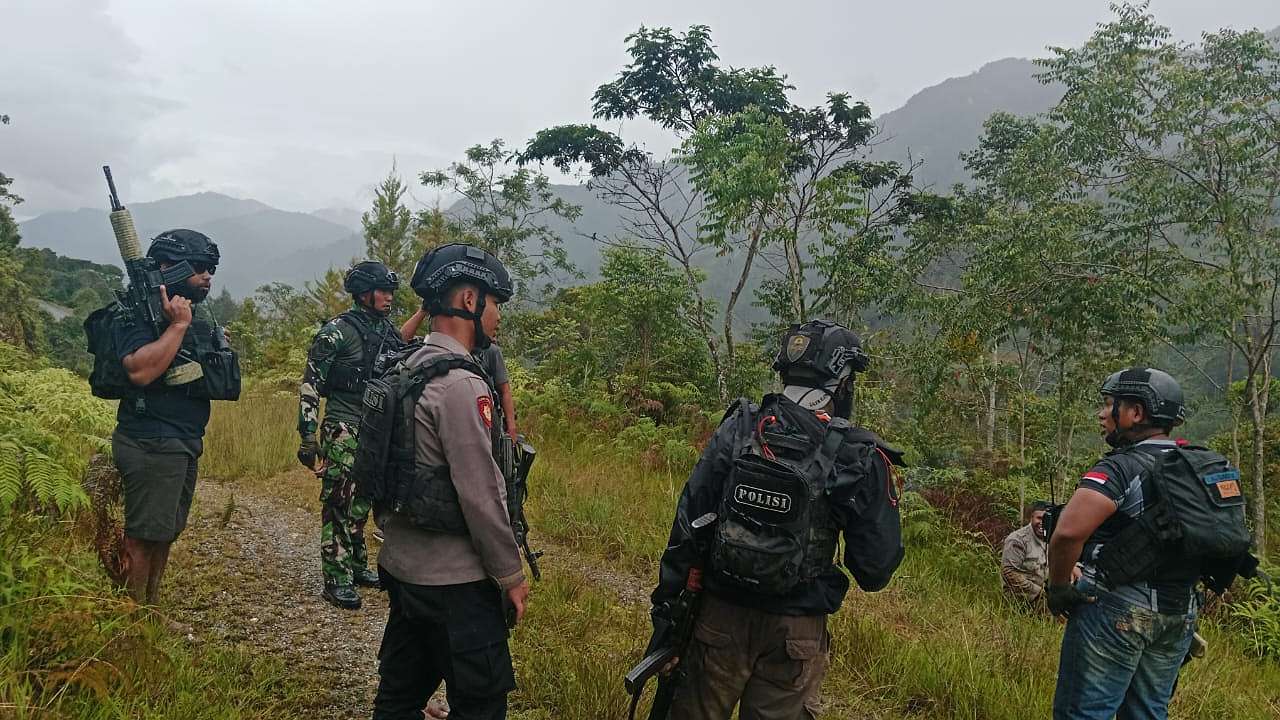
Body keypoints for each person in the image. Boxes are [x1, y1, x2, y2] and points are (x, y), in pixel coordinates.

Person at [647, 320, 905, 720]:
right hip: (795, 636)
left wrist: (667, 613)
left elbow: (689, 523)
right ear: (842, 383)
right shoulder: (858, 454)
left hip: (718, 619)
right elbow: (875, 570)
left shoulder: (740, 427)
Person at [373, 243, 529, 720]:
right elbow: (481, 493)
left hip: (403, 568)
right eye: (495, 303)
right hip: (456, 585)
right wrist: (511, 575)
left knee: (398, 699)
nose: (497, 316)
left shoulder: (407, 365)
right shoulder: (462, 384)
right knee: (481, 705)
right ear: (469, 300)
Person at [1046, 368, 1202, 720]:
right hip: (1180, 612)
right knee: (1147, 713)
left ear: (1136, 412)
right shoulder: (1194, 465)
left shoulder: (1120, 467)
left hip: (1118, 609)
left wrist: (1058, 587)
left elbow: (1068, 533)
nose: (1102, 414)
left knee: (1085, 713)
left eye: (1108, 404)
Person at [111, 229, 230, 604]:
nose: (208, 276)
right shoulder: (135, 312)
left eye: (211, 269)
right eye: (200, 267)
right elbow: (139, 371)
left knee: (163, 532)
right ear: (168, 266)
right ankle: (132, 618)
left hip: (181, 439)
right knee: (143, 535)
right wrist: (177, 326)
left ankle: (150, 610)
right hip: (150, 439)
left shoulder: (186, 314)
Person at [297, 261, 403, 610]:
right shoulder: (336, 332)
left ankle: (356, 565)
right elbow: (311, 384)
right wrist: (308, 436)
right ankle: (336, 578)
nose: (389, 297)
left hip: (374, 428)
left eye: (390, 291)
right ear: (364, 293)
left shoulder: (387, 331)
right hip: (342, 425)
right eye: (383, 291)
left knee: (364, 499)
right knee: (340, 500)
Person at [401, 304, 518, 438]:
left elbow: (504, 390)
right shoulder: (432, 350)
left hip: (483, 421)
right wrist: (423, 310)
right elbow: (400, 341)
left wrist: (511, 427)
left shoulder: (491, 351)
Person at [1001, 501, 1051, 604]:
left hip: (1045, 594)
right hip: (1021, 595)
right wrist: (1040, 593)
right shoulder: (1018, 540)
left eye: (1046, 519)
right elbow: (1009, 572)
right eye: (1039, 518)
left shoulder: (1052, 538)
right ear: (1031, 517)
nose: (1042, 522)